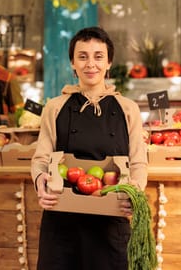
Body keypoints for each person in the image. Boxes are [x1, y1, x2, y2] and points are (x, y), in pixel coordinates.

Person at [31, 26, 148, 270]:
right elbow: (41, 158)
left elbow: (138, 162)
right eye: (82, 56)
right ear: (73, 63)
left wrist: (134, 193)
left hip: (109, 221)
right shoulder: (55, 107)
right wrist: (40, 179)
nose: (90, 64)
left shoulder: (128, 109)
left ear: (109, 63)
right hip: (62, 222)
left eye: (98, 56)